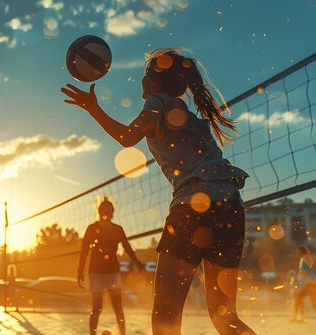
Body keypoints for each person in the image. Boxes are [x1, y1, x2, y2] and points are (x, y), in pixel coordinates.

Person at [62, 48, 256, 335]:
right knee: (225, 318)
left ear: (153, 81)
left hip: (193, 208)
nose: (141, 82)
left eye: (144, 75)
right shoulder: (191, 118)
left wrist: (94, 109)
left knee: (164, 322)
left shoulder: (158, 103)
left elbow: (128, 137)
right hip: (231, 207)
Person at [78, 198, 145, 335]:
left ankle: (122, 334)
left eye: (108, 209)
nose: (106, 212)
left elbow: (127, 247)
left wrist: (137, 262)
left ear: (112, 212)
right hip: (96, 273)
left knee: (118, 308)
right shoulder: (92, 228)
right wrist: (80, 270)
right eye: (104, 209)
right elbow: (84, 250)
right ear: (99, 211)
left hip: (112, 273)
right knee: (97, 308)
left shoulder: (117, 229)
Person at [290, 245, 316, 323]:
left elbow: (309, 269)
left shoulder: (305, 257)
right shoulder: (305, 258)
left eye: (298, 251)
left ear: (302, 251)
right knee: (298, 298)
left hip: (311, 284)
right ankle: (296, 317)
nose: (297, 253)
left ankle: (296, 317)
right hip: (308, 284)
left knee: (314, 302)